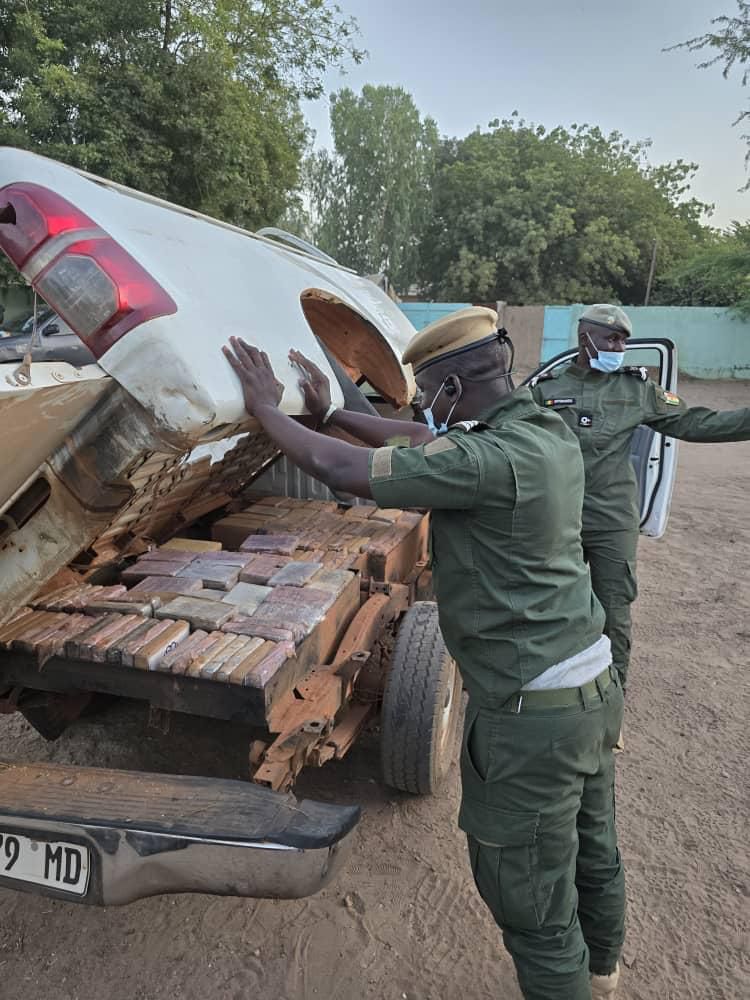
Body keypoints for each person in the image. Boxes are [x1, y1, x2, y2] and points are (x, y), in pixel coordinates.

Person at [223, 307, 625, 999]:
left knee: (533, 910)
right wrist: (330, 416)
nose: (422, 406)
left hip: (531, 718)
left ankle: (571, 981)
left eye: (427, 391)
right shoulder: (540, 430)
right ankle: (605, 971)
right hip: (590, 688)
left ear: (448, 389)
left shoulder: (482, 460)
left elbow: (340, 470)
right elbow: (417, 437)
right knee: (594, 847)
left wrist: (268, 411)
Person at [529, 303, 750, 695]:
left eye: (624, 340)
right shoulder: (546, 390)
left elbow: (699, 422)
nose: (620, 346)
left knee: (613, 612)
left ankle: (611, 704)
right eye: (612, 338)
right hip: (557, 518)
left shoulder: (638, 390)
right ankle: (551, 695)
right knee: (552, 607)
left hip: (611, 520)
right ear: (586, 339)